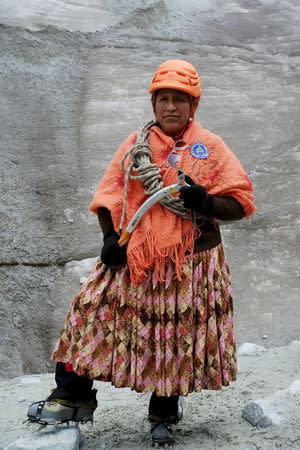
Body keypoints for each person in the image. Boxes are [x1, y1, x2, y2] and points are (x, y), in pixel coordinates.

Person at [27, 59, 256, 445]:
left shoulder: (211, 148)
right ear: (153, 104)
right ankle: (72, 397)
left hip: (190, 263)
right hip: (135, 253)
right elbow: (110, 195)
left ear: (193, 105)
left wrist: (205, 202)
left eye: (180, 99)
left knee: (173, 336)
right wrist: (108, 239)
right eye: (163, 98)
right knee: (88, 314)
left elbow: (241, 202)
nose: (171, 106)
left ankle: (164, 411)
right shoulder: (137, 146)